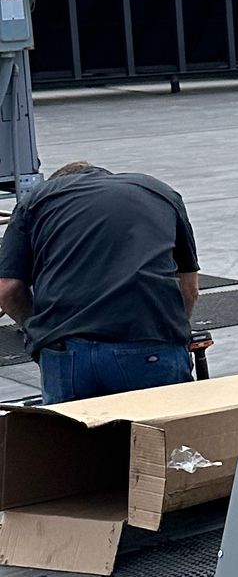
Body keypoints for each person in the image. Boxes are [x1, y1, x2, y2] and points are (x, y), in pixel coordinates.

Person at [0, 158, 201, 402]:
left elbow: (8, 290)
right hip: (149, 342)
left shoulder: (36, 200)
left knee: (71, 439)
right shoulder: (160, 192)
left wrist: (39, 332)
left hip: (67, 350)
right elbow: (189, 289)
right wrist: (173, 333)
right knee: (161, 435)